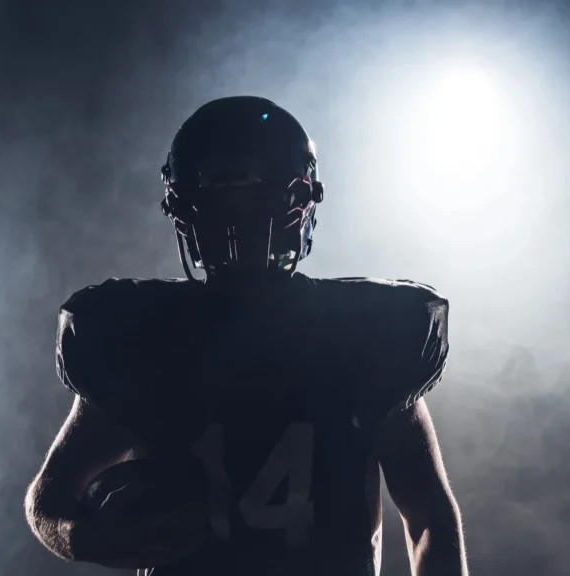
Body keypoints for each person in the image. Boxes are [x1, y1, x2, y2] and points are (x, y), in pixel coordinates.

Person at [24, 96, 468, 576]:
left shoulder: (363, 335)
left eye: (255, 207)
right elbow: (50, 497)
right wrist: (86, 535)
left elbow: (429, 519)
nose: (240, 227)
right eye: (221, 209)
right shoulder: (144, 336)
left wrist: (86, 534)